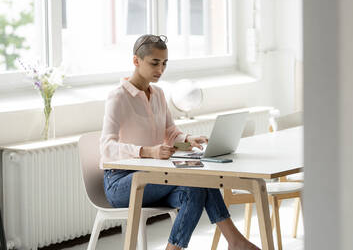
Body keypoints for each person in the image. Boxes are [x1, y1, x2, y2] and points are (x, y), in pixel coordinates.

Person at [100, 34, 260, 250]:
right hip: (122, 182)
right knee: (197, 178)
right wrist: (148, 151)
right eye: (154, 63)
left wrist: (187, 140)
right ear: (136, 61)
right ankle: (236, 241)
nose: (160, 69)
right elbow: (106, 148)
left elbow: (170, 132)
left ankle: (188, 247)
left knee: (196, 187)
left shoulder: (158, 94)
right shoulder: (118, 97)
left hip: (153, 175)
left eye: (164, 63)